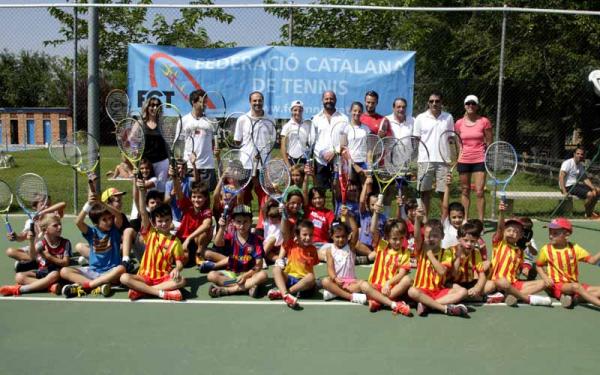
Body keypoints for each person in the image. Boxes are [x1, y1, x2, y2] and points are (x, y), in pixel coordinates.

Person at [321, 209, 409, 316]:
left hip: (354, 283)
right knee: (325, 281)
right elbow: (330, 269)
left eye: (343, 236)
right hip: (341, 282)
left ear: (348, 236)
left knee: (364, 284)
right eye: (337, 237)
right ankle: (353, 297)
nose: (340, 239)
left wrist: (349, 216)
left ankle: (338, 294)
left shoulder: (350, 246)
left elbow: (355, 231)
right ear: (331, 236)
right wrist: (335, 278)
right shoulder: (330, 250)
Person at [119, 178, 186, 301]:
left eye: (167, 220)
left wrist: (177, 269)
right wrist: (142, 191)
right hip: (145, 276)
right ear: (154, 223)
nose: (164, 224)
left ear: (171, 220)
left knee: (182, 280)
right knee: (124, 278)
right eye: (160, 221)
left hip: (163, 277)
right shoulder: (150, 232)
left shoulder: (175, 242)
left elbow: (179, 263)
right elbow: (144, 212)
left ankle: (143, 291)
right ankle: (161, 293)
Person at [483, 201, 552, 307]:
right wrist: (501, 212)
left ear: (520, 236)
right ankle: (527, 298)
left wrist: (526, 268)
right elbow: (500, 228)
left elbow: (518, 270)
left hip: (513, 284)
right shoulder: (500, 243)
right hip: (498, 282)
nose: (511, 233)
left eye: (515, 232)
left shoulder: (520, 251)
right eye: (509, 230)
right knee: (502, 282)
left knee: (543, 283)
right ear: (504, 232)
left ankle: (507, 296)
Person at [60, 190, 126, 298]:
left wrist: (101, 202)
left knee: (121, 269)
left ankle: (88, 286)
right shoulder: (92, 232)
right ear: (96, 223)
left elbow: (118, 215)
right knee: (64, 271)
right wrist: (89, 204)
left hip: (111, 272)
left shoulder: (114, 230)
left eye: (110, 218)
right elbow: (78, 222)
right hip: (93, 271)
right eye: (104, 219)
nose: (109, 221)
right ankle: (98, 286)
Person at [407, 210, 469, 317]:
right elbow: (417, 236)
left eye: (434, 236)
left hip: (438, 291)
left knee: (463, 292)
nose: (430, 239)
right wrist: (417, 219)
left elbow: (441, 271)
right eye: (427, 236)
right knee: (412, 291)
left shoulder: (447, 252)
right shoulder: (420, 249)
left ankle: (427, 304)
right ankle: (444, 308)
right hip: (421, 290)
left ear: (442, 236)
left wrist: (429, 253)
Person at [535, 217, 600, 308]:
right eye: (550, 232)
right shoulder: (546, 249)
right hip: (557, 284)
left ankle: (574, 298)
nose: (550, 236)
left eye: (555, 233)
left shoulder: (574, 248)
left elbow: (592, 260)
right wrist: (545, 278)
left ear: (566, 234)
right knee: (576, 287)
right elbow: (538, 265)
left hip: (572, 283)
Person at [0, 215, 71, 296]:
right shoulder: (41, 243)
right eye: (55, 225)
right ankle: (49, 287)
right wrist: (31, 241)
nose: (60, 227)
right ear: (45, 230)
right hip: (42, 271)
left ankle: (20, 289)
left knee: (54, 275)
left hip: (55, 273)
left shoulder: (65, 243)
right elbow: (32, 257)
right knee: (18, 276)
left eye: (60, 224)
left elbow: (66, 263)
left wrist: (49, 257)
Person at [207, 205, 268, 297]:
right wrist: (222, 228)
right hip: (233, 275)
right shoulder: (230, 236)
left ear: (251, 222)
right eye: (238, 222)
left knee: (263, 275)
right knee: (211, 275)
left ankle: (228, 290)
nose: (242, 225)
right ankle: (246, 288)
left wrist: (245, 276)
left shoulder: (256, 240)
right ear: (233, 223)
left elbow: (258, 266)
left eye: (245, 221)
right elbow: (217, 243)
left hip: (249, 274)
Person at [366, 202, 412, 315]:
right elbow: (373, 230)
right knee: (364, 285)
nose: (398, 242)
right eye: (394, 238)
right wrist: (376, 213)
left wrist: (388, 283)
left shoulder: (405, 252)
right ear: (387, 237)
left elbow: (401, 274)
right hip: (376, 285)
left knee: (408, 280)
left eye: (401, 238)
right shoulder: (382, 245)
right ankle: (391, 303)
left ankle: (378, 300)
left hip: (391, 288)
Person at [413, 92, 454, 218]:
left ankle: (444, 223)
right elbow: (416, 139)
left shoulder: (448, 117)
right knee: (425, 192)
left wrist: (452, 158)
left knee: (444, 193)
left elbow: (451, 139)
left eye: (437, 101)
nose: (434, 103)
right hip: (425, 161)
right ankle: (425, 222)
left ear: (441, 103)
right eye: (431, 101)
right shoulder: (420, 118)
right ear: (428, 103)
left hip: (443, 161)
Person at [454, 95, 493, 221]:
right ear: (465, 105)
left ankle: (480, 221)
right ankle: (465, 220)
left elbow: (489, 141)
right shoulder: (459, 123)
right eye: (468, 103)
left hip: (479, 160)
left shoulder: (484, 121)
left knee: (480, 192)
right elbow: (457, 142)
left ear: (477, 106)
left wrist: (486, 156)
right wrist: (457, 157)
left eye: (473, 103)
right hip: (464, 160)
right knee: (465, 190)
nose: (470, 106)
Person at [268, 219, 319, 309]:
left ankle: (284, 293)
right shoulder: (291, 244)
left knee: (311, 277)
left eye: (311, 235)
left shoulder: (313, 249)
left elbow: (312, 266)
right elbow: (284, 232)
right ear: (296, 235)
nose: (308, 237)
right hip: (289, 279)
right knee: (276, 269)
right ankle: (286, 295)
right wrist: (284, 215)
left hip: (303, 284)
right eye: (304, 234)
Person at [181, 89, 217, 190]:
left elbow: (214, 143)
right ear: (193, 102)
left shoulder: (212, 120)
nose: (205, 104)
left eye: (206, 102)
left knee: (205, 198)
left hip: (207, 165)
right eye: (202, 102)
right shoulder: (184, 120)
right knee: (189, 196)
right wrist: (182, 162)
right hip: (189, 165)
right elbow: (179, 143)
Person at [312, 90, 349, 188]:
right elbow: (313, 141)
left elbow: (345, 140)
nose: (329, 101)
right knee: (320, 192)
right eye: (326, 99)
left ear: (335, 100)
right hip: (320, 161)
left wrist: (334, 152)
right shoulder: (315, 119)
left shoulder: (344, 118)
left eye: (331, 99)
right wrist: (322, 154)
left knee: (338, 192)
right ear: (322, 100)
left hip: (338, 160)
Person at [450, 221, 487, 301]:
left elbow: (482, 275)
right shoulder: (450, 251)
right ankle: (469, 296)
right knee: (459, 290)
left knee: (491, 285)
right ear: (458, 239)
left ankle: (466, 296)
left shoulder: (476, 252)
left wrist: (477, 288)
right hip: (453, 283)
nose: (469, 244)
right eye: (465, 240)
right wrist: (458, 257)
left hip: (468, 283)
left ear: (477, 240)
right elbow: (453, 274)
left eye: (472, 241)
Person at [559, 147, 600, 218]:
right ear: (574, 154)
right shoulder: (568, 163)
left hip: (576, 185)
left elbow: (584, 178)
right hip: (568, 186)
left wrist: (593, 188)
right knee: (590, 194)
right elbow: (561, 177)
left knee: (597, 191)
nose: (580, 155)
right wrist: (564, 190)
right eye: (578, 153)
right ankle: (588, 212)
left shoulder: (580, 165)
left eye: (581, 154)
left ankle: (589, 211)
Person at [140, 97, 170, 191]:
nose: (155, 107)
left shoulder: (163, 124)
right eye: (152, 105)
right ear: (147, 107)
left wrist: (171, 162)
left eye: (157, 105)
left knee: (161, 190)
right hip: (146, 163)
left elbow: (168, 145)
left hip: (162, 161)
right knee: (145, 190)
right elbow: (131, 141)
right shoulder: (141, 123)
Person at [441, 174, 466, 249]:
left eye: (460, 217)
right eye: (454, 217)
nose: (457, 220)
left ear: (464, 216)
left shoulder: (465, 228)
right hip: (445, 257)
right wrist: (447, 186)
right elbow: (445, 208)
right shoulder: (447, 225)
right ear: (449, 218)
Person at [281, 100, 307, 168]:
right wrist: (287, 164)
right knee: (292, 179)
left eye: (300, 110)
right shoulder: (286, 126)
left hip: (304, 159)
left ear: (302, 111)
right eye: (295, 110)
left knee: (303, 179)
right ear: (291, 111)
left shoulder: (307, 124)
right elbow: (283, 147)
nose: (297, 112)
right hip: (290, 160)